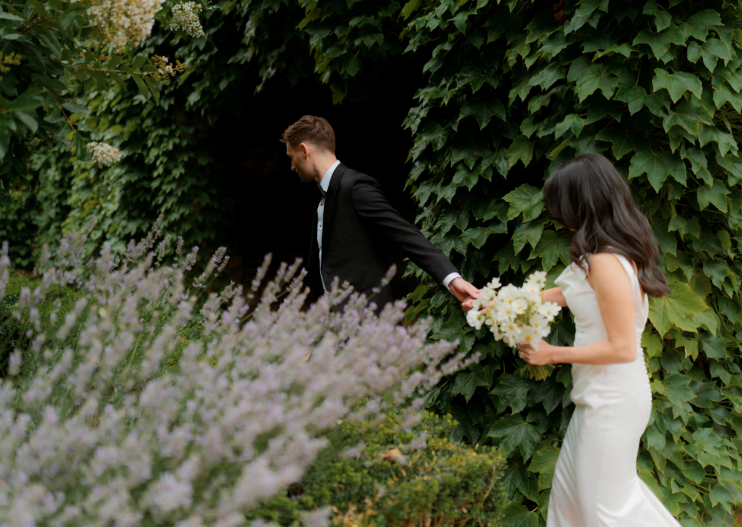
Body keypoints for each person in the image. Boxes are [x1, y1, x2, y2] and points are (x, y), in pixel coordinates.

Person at [514, 153, 679, 526]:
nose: (558, 216)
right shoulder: (600, 256)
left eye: (560, 205)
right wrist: (492, 302)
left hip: (613, 400)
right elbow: (559, 296)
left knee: (604, 511)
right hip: (596, 397)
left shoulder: (606, 260)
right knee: (572, 503)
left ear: (581, 202)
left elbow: (622, 348)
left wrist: (551, 353)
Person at [281, 115, 480, 310]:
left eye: (291, 158)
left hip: (368, 316)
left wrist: (452, 280)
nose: (292, 167)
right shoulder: (321, 195)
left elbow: (405, 235)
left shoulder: (355, 187)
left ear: (304, 150)